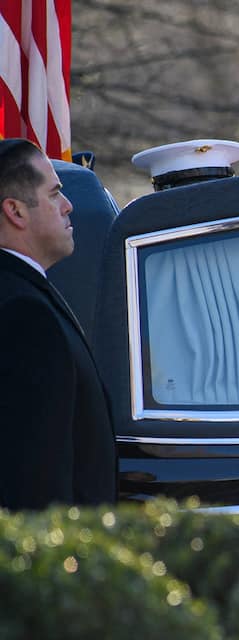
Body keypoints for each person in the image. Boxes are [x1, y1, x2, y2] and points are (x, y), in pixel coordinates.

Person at [0, 139, 117, 510]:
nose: (69, 207)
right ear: (15, 211)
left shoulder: (21, 292)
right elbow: (36, 485)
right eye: (54, 195)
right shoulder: (22, 313)